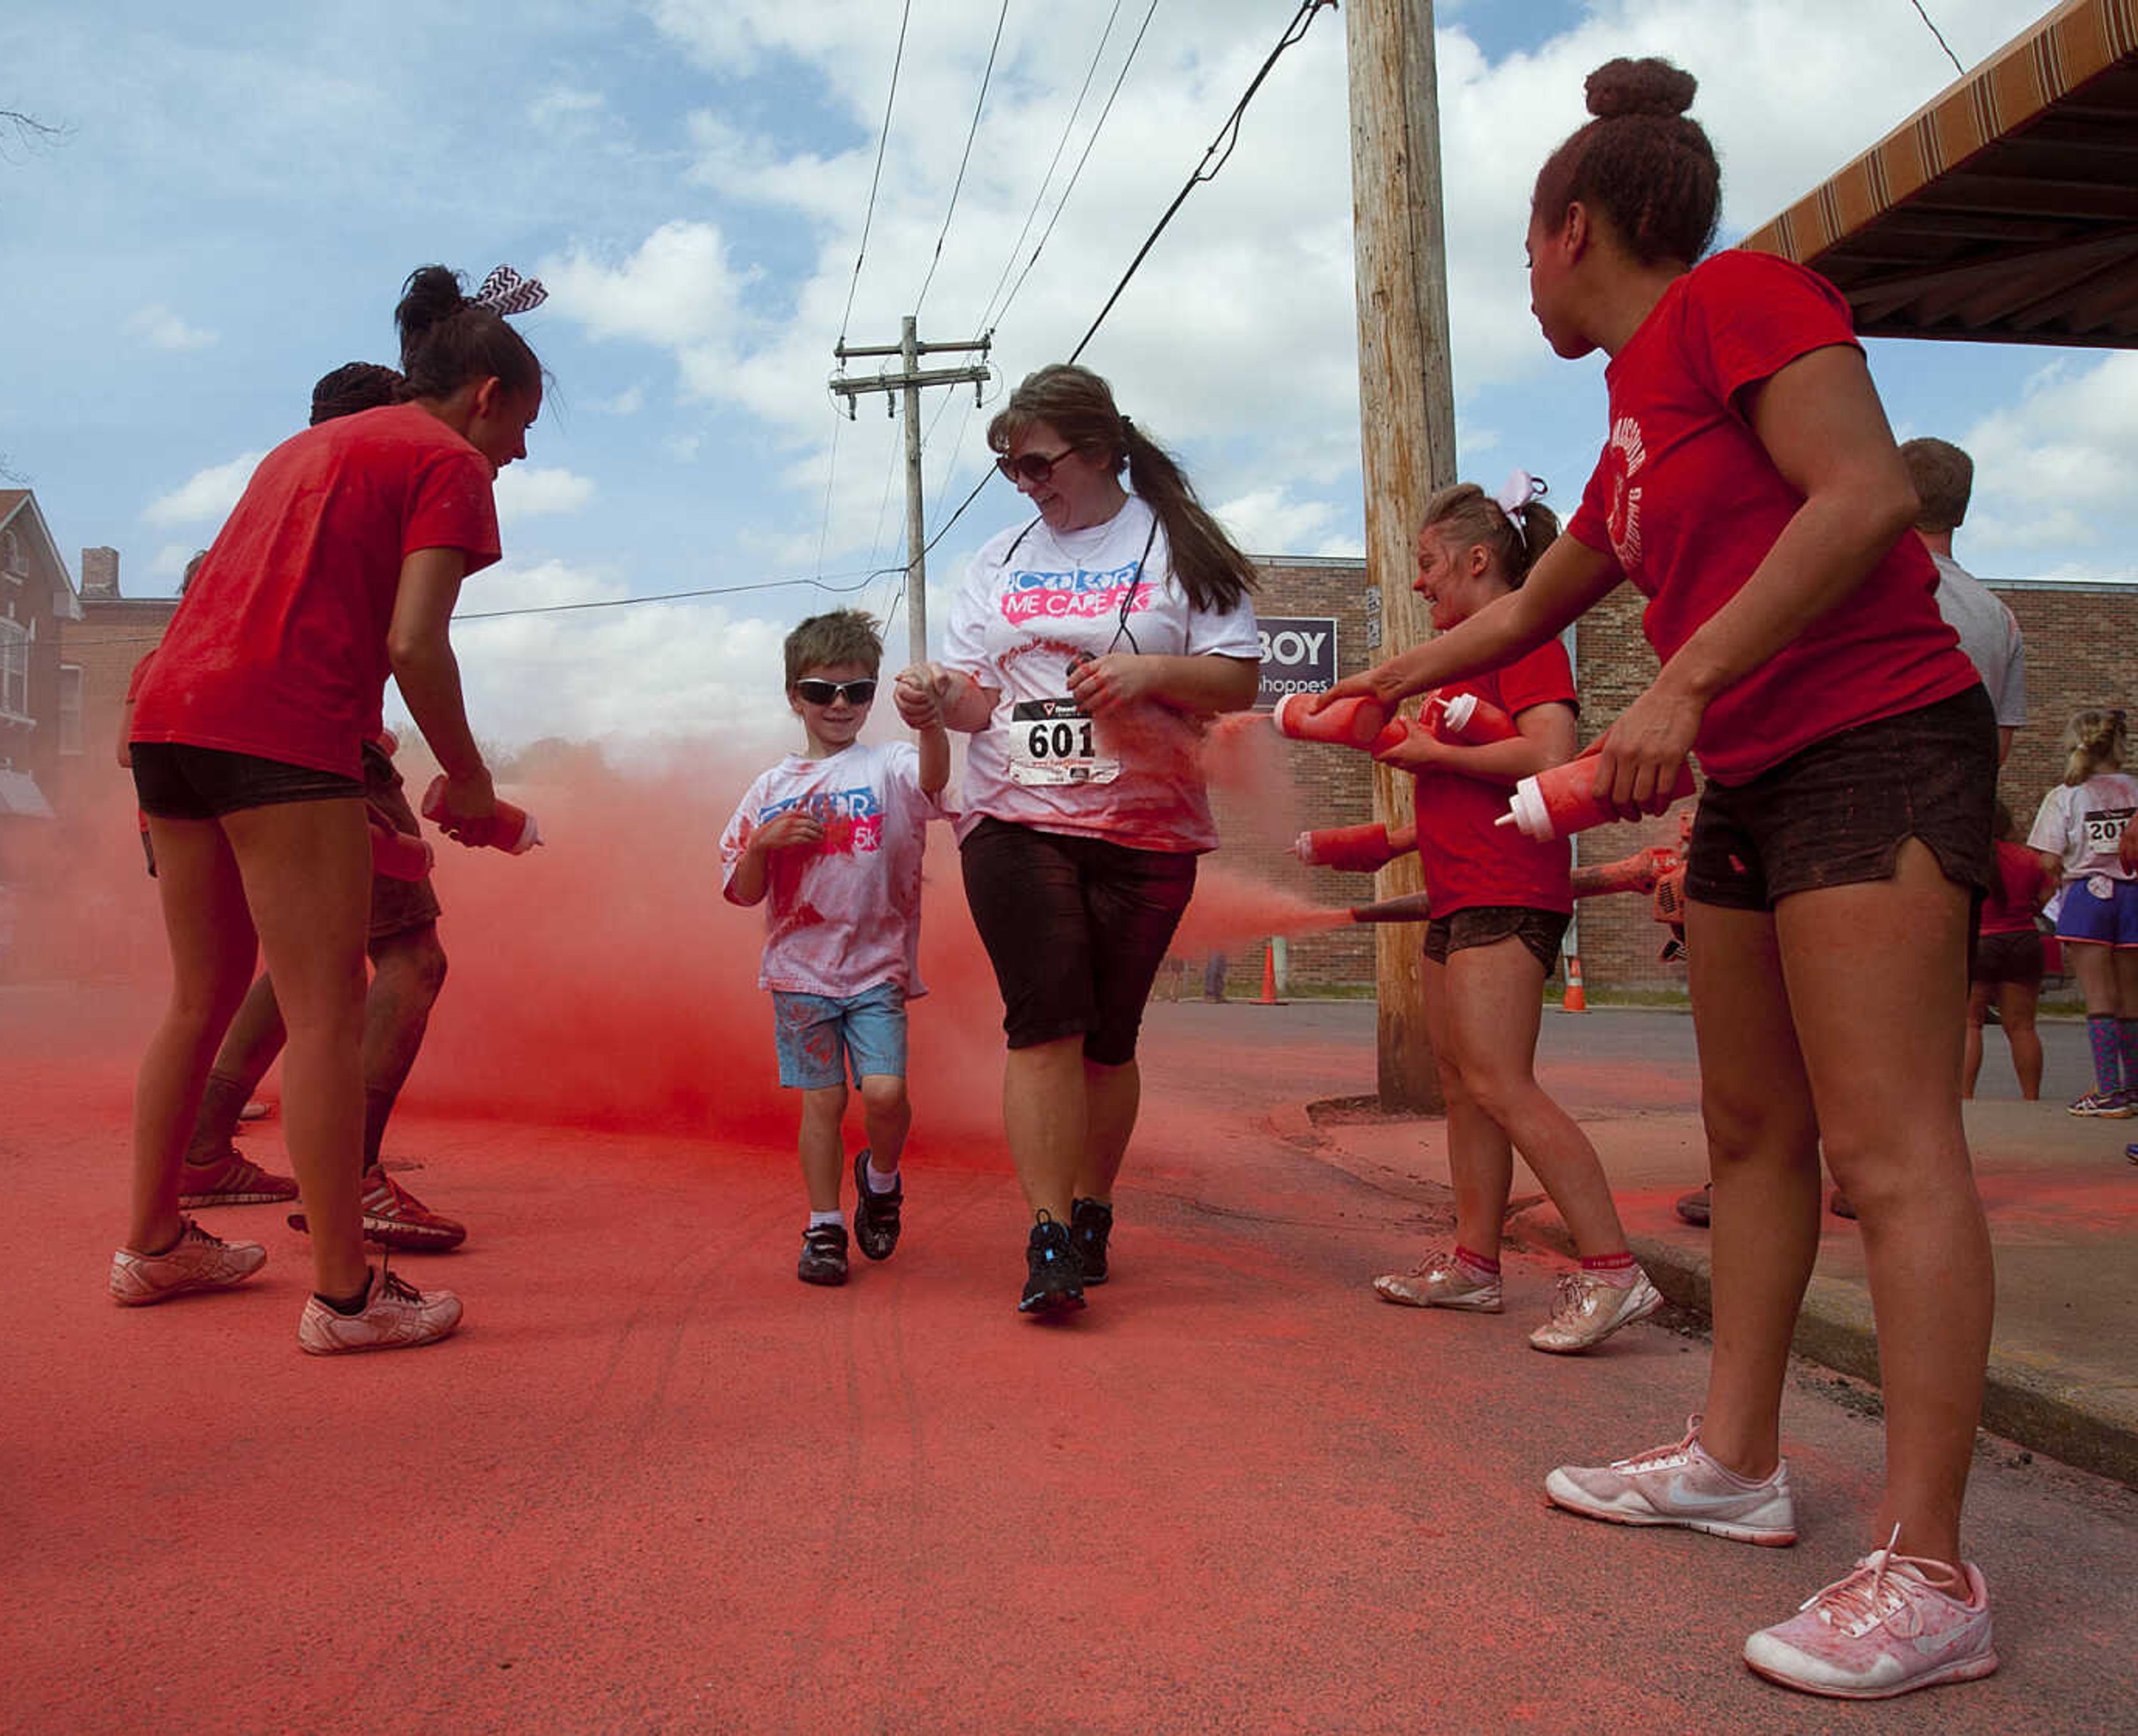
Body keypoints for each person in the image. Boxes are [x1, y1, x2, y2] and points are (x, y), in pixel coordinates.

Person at [1311, 59, 1999, 1699]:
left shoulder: (1742, 300)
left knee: (1893, 1154)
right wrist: (1375, 685)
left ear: (1570, 229)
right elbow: (1513, 614)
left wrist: (1675, 690)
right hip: (1760, 772)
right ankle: (1735, 1460)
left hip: (1876, 739)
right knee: (1751, 1133)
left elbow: (1864, 494)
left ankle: (1928, 1563)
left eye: (1524, 252)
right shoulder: (1626, 425)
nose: (1524, 282)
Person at [114, 262, 542, 1355]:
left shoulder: (303, 448)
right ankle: (347, 1296)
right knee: (326, 1008)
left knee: (197, 999)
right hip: (277, 729)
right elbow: (413, 642)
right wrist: (473, 779)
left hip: (168, 716)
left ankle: (155, 1244)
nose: (520, 454)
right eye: (523, 425)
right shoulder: (446, 459)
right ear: (485, 393)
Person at [894, 363, 1260, 1315]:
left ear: (1099, 450)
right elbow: (979, 703)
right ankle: (1048, 1235)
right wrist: (941, 698)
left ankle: (1094, 1207)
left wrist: (1145, 678)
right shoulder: (1001, 558)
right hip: (1015, 815)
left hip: (1149, 824)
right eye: (1011, 468)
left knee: (1109, 1035)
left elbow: (1236, 679)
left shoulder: (1177, 544)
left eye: (1038, 463)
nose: (1026, 483)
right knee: (1046, 1018)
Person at [175, 363, 467, 1254]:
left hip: (209, 747)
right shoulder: (376, 494)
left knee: (288, 967)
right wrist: (465, 776)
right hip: (316, 747)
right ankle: (356, 1181)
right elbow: (410, 644)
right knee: (409, 960)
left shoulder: (277, 492)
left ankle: (195, 1154)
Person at [1365, 478, 1661, 1353]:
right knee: (1464, 1085)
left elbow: (1551, 752)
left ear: (1477, 557)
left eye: (1426, 563)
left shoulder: (1524, 631)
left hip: (1509, 885)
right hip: (1461, 889)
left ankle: (1614, 1270)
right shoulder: (1456, 649)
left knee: (1500, 1080)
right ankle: (1473, 1265)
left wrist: (1425, 749)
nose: (1419, 583)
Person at [719, 609, 951, 1286]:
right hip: (798, 973)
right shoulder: (770, 789)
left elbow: (935, 783)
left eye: (858, 691)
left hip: (877, 968)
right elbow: (741, 890)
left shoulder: (891, 764)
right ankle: (824, 1226)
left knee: (884, 1092)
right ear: (795, 697)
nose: (841, 705)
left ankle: (881, 1179)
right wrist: (763, 844)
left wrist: (932, 722)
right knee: (821, 1103)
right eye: (823, 691)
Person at [2027, 710, 2138, 1116]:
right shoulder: (2136, 792)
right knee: (2132, 998)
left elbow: (2047, 859)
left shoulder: (2065, 796)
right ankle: (2134, 1087)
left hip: (2088, 897)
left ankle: (2108, 1091)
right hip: (2135, 894)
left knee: (2099, 998)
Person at [1901, 438, 2029, 766]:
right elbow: (1996, 750)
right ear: (1961, 513)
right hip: (1963, 806)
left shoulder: (1859, 589)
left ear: (1897, 494)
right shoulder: (2001, 619)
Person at [1965, 800, 2051, 1101]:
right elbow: (2044, 900)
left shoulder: (1969, 858)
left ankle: (1966, 1096)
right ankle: (2031, 1097)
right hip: (2023, 941)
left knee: (1970, 1024)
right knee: (2022, 1027)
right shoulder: (2030, 859)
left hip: (1981, 942)